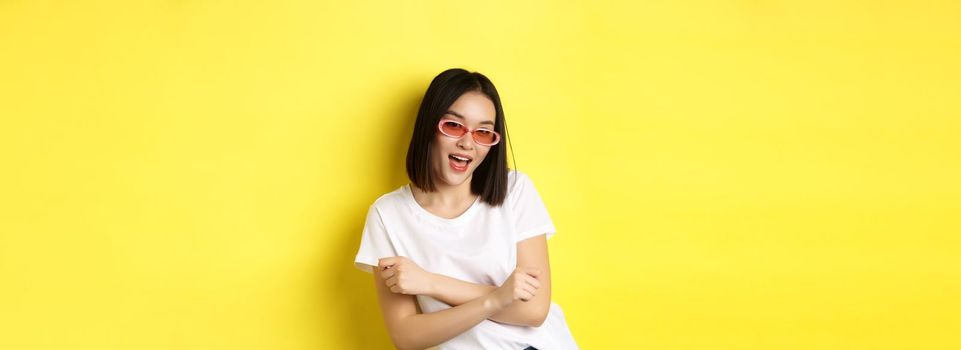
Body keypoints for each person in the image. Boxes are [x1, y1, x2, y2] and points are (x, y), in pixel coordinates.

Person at [354, 68, 579, 350]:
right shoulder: (387, 215)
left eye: (483, 132)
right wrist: (496, 299)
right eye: (453, 126)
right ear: (429, 127)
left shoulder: (516, 190)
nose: (468, 143)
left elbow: (533, 312)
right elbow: (406, 336)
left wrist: (430, 283)